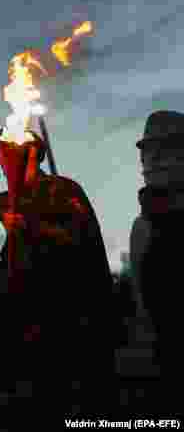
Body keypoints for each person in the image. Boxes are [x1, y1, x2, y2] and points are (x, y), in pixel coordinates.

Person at [0, 128, 114, 420]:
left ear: (31, 151)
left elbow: (80, 240)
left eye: (5, 148)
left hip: (71, 319)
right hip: (28, 323)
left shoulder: (63, 189)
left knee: (80, 405)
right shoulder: (8, 200)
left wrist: (30, 226)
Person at [135, 110, 184, 411]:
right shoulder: (145, 223)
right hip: (167, 351)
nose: (153, 159)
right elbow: (143, 296)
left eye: (167, 148)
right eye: (150, 151)